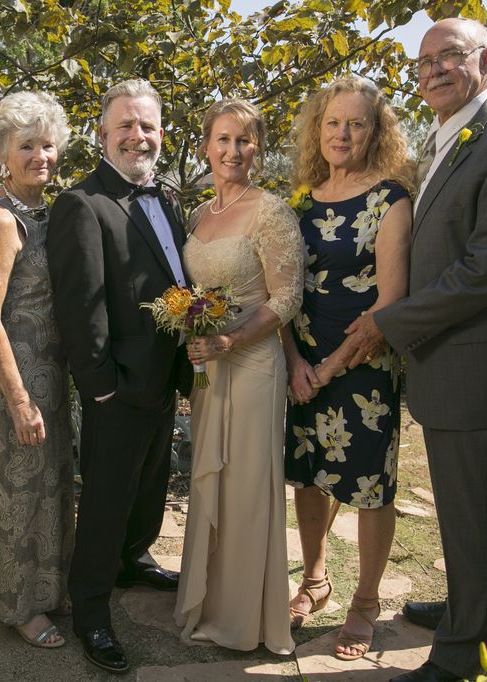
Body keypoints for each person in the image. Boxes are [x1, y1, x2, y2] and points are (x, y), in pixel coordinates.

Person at [345, 19, 487, 682]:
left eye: (449, 56)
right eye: (424, 61)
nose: (433, 70)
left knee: (477, 511)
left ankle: (464, 655)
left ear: (486, 59)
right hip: (449, 363)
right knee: (463, 509)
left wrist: (389, 321)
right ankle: (474, 607)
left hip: (480, 366)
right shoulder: (449, 135)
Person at [47, 79, 192, 675]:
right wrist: (100, 385)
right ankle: (91, 610)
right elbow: (80, 307)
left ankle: (134, 560)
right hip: (117, 384)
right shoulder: (81, 204)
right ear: (103, 134)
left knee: (150, 485)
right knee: (106, 501)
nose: (138, 136)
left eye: (148, 126)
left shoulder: (169, 199)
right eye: (126, 126)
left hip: (164, 375)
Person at [283, 76, 413, 661]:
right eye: (333, 122)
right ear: (318, 129)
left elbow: (390, 301)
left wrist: (330, 366)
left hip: (362, 367)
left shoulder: (391, 200)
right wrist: (295, 361)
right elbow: (283, 288)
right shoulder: (301, 200)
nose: (342, 133)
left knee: (369, 486)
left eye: (356, 123)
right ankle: (315, 579)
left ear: (375, 132)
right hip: (302, 365)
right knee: (310, 476)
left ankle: (365, 602)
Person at [175, 99, 302, 655]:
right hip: (208, 368)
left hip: (252, 365)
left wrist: (231, 340)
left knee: (248, 485)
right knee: (212, 479)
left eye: (244, 140)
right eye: (223, 139)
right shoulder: (197, 215)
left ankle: (244, 617)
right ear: (206, 145)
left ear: (258, 149)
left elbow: (287, 297)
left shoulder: (271, 212)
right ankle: (205, 600)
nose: (232, 151)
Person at [0, 91, 75, 649]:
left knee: (52, 486)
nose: (41, 155)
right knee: (18, 494)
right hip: (14, 376)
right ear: (2, 156)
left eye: (47, 144)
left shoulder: (46, 212)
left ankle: (51, 589)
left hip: (51, 373)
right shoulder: (0, 218)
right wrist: (17, 400)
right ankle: (19, 606)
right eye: (27, 146)